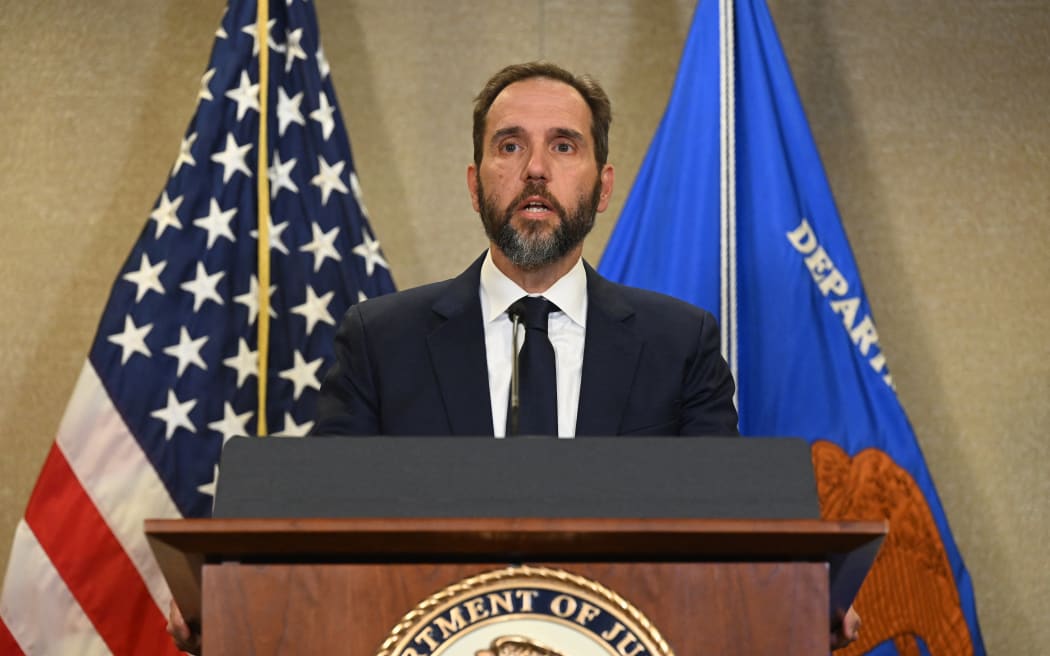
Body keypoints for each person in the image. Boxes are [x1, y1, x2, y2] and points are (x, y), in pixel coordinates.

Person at [168, 61, 860, 652]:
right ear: (474, 183)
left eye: (564, 146)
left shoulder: (680, 344)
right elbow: (318, 533)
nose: (535, 169)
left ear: (604, 184)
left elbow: (730, 535)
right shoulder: (382, 340)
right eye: (510, 146)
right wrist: (231, 597)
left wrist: (800, 599)